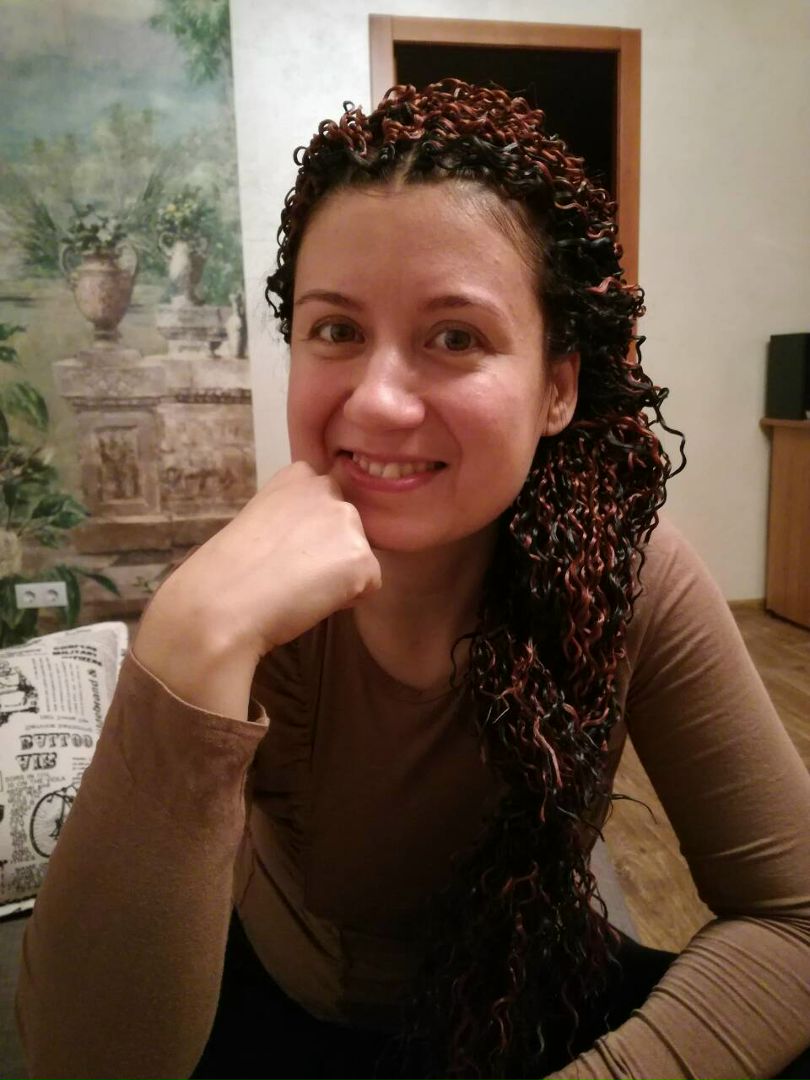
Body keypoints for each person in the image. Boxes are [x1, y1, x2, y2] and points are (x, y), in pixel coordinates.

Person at [15, 80, 810, 1080]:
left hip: (532, 996)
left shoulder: (629, 572)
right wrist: (186, 646)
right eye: (336, 330)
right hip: (285, 1008)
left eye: (455, 337)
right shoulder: (249, 601)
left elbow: (793, 918)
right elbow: (78, 1060)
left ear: (557, 387)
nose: (379, 403)